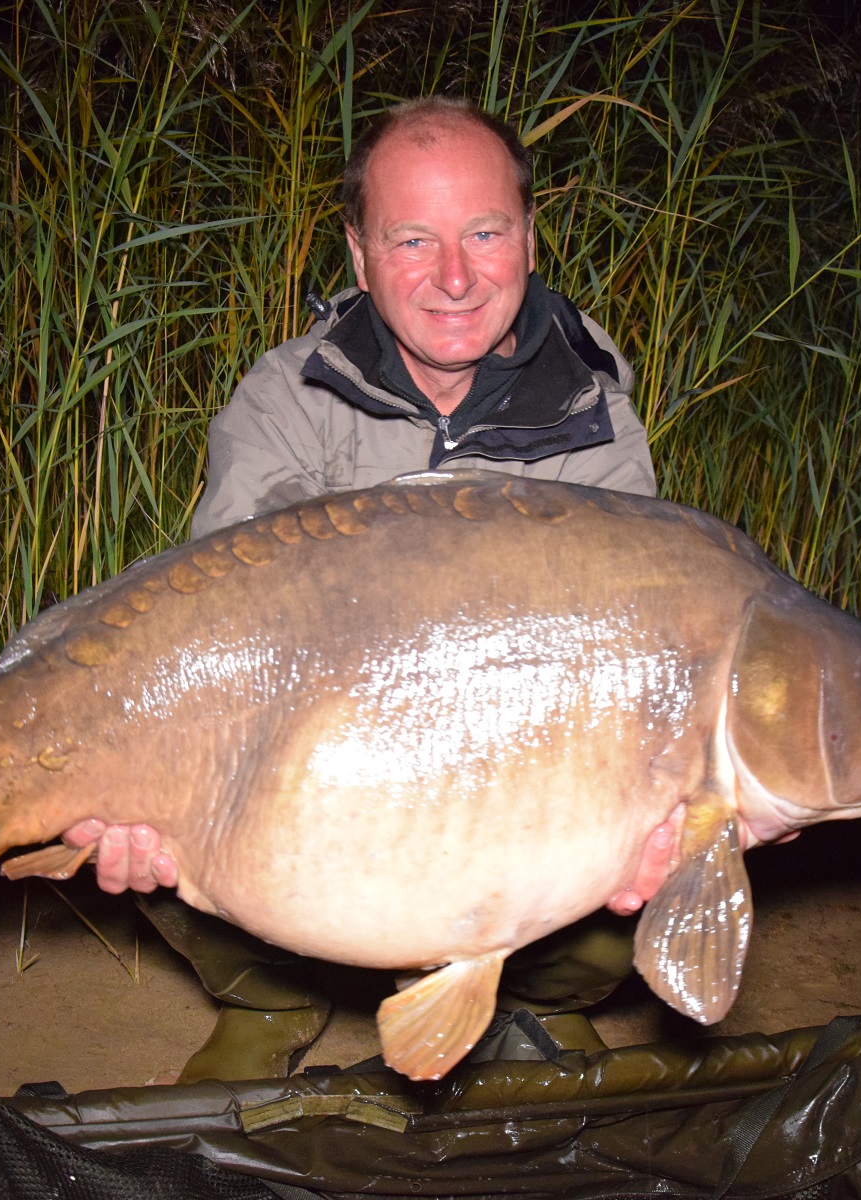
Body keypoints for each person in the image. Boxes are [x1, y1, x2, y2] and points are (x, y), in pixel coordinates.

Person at [60, 97, 681, 1084]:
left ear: (528, 237)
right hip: (315, 772)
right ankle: (270, 996)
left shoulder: (593, 418)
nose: (455, 277)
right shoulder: (288, 398)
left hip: (498, 777)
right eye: (412, 239)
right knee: (163, 758)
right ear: (359, 254)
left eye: (485, 233)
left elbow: (630, 670)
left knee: (661, 813)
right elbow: (220, 630)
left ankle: (533, 1002)